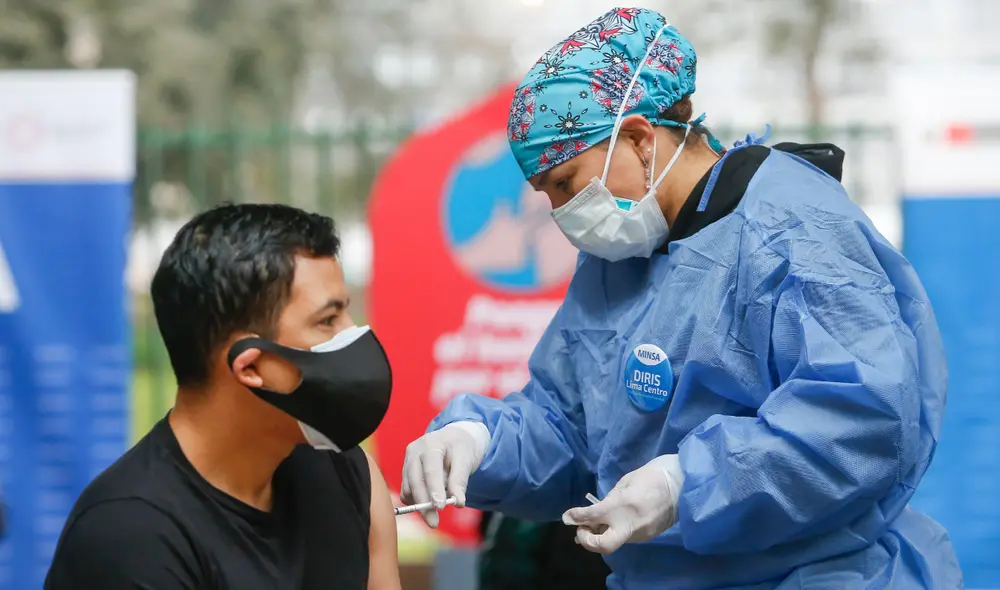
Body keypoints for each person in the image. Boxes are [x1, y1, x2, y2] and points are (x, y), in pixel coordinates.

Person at [401, 7, 963, 589]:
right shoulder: (617, 263)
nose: (562, 214)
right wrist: (479, 440)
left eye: (567, 183)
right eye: (547, 195)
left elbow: (863, 420)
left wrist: (685, 482)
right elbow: (572, 428)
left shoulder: (793, 228)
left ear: (641, 138)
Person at [46, 203, 401, 590]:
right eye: (327, 321)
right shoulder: (130, 539)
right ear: (250, 367)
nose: (354, 336)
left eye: (346, 313)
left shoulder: (347, 473)